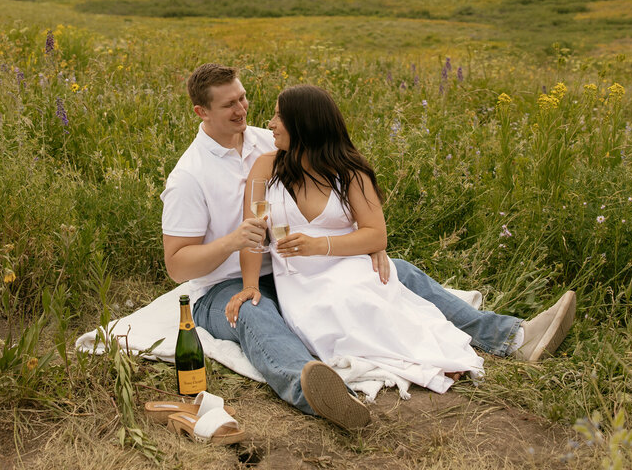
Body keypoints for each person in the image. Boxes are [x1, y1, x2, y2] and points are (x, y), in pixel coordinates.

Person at [161, 63, 576, 430]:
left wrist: (367, 243)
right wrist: (235, 243)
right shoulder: (190, 176)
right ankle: (319, 392)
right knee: (254, 313)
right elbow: (177, 267)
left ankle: (512, 337)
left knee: (398, 270)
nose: (244, 110)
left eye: (244, 98)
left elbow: (329, 166)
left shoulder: (267, 142)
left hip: (295, 269)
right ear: (201, 112)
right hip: (224, 284)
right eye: (229, 105)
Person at [225, 84, 484, 393]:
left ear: (304, 125)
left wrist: (320, 245)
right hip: (297, 281)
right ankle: (413, 362)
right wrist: (251, 285)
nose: (270, 124)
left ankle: (429, 359)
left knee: (356, 296)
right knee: (333, 313)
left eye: (279, 117)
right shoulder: (267, 166)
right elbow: (253, 234)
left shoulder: (351, 172)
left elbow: (376, 235)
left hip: (347, 263)